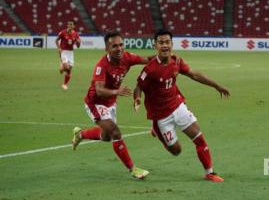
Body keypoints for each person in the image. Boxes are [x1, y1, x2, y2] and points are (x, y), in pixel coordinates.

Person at [133, 29, 230, 182]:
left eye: (167, 42)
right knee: (176, 151)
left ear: (172, 44)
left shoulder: (176, 61)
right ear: (155, 45)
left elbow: (194, 74)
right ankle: (157, 130)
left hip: (178, 107)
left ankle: (209, 172)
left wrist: (216, 86)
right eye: (161, 43)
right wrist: (137, 99)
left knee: (199, 137)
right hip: (160, 117)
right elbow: (138, 87)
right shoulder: (150, 69)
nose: (165, 46)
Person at [72, 31, 154, 179]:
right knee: (115, 132)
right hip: (95, 103)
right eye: (114, 46)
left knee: (107, 137)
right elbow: (99, 90)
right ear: (107, 48)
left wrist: (163, 56)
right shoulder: (102, 65)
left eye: (121, 44)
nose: (119, 48)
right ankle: (133, 169)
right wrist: (118, 91)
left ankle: (81, 134)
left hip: (110, 103)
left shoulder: (127, 57)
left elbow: (147, 59)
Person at [55, 20, 81, 90]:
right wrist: (58, 48)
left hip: (71, 53)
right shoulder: (63, 32)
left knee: (69, 70)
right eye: (68, 24)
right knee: (66, 67)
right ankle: (63, 65)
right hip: (63, 51)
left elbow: (78, 46)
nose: (69, 26)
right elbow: (56, 40)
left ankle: (64, 84)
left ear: (74, 26)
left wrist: (78, 42)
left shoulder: (76, 34)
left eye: (71, 25)